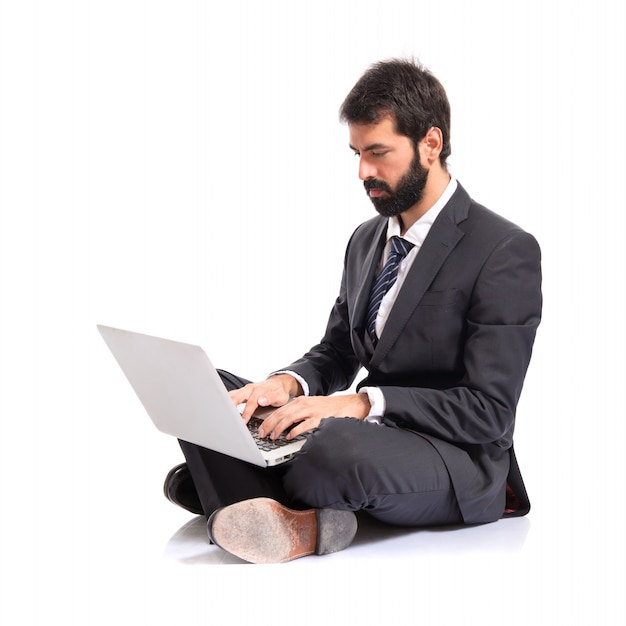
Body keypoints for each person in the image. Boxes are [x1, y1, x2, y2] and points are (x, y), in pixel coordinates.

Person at [164, 58, 542, 564]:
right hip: (369, 436)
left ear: (431, 143)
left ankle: (242, 492)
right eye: (358, 153)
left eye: (378, 152)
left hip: (454, 459)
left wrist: (362, 405)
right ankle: (273, 500)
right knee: (217, 392)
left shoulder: (503, 250)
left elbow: (489, 412)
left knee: (333, 449)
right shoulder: (367, 241)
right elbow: (338, 350)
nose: (364, 171)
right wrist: (290, 384)